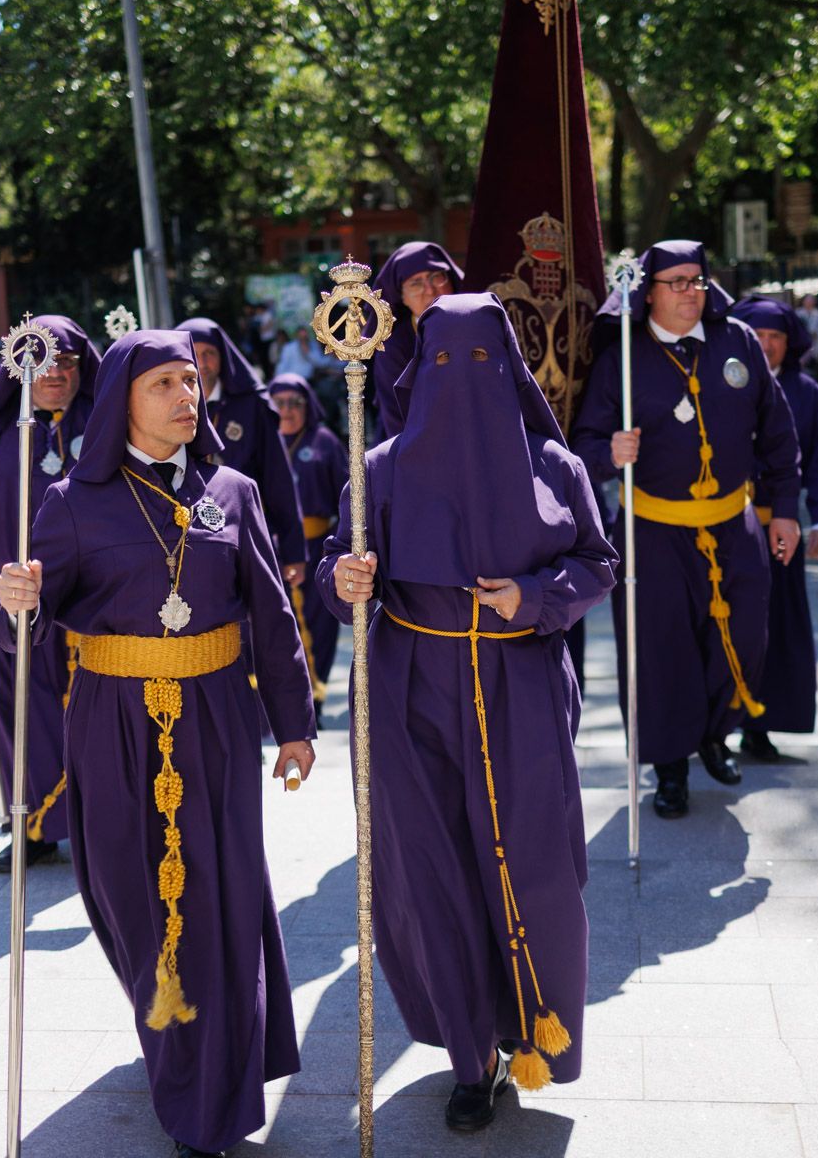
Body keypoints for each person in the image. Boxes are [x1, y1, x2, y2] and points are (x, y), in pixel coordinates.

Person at [0, 329, 317, 1158]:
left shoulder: (233, 490)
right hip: (113, 721)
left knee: (221, 896)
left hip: (217, 717)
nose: (186, 396)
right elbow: (24, 629)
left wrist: (294, 726)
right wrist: (18, 602)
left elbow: (272, 615)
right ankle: (179, 1042)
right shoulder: (71, 500)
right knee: (137, 900)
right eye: (163, 384)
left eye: (190, 381)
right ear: (122, 402)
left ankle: (208, 1090)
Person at [320, 293, 616, 1129]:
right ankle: (469, 1056)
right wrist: (345, 579)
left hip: (521, 683)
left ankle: (534, 1027)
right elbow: (336, 573)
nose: (462, 378)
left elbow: (597, 564)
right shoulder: (378, 468)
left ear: (509, 367)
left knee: (535, 866)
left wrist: (536, 594)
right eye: (443, 361)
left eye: (481, 360)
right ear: (420, 371)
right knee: (432, 872)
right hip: (411, 689)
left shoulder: (555, 467)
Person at [572, 240, 802, 813]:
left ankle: (714, 733)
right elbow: (584, 443)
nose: (689, 292)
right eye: (675, 282)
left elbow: (777, 431)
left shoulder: (738, 341)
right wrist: (609, 453)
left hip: (733, 522)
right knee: (660, 651)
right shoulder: (622, 356)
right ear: (648, 292)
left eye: (697, 281)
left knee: (743, 635)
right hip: (652, 529)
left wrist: (786, 508)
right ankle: (670, 766)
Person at [0, 314, 100, 871]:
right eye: (40, 362)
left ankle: (100, 822)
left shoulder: (111, 422)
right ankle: (32, 824)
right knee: (18, 718)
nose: (53, 373)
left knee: (96, 715)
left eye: (66, 361)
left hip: (90, 606)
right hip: (5, 607)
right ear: (16, 367)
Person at [729, 296, 818, 757]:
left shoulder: (805, 392)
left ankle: (760, 725)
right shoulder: (716, 379)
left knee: (774, 628)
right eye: (757, 335)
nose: (766, 345)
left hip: (777, 532)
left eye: (775, 336)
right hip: (715, 528)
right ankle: (709, 726)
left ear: (789, 342)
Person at [179, 317, 307, 587]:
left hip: (245, 532)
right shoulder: (170, 405)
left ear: (223, 357)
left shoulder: (251, 406)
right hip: (184, 536)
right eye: (194, 353)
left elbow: (277, 478)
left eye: (209, 353)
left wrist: (293, 551)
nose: (202, 362)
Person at [270, 371, 347, 702]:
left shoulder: (324, 442)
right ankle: (283, 702)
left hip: (317, 549)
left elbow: (348, 496)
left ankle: (315, 698)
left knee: (320, 625)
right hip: (272, 550)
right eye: (279, 403)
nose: (286, 410)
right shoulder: (262, 440)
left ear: (308, 406)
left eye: (295, 403)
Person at [371, 240, 462, 438]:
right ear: (402, 296)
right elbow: (398, 420)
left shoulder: (479, 329)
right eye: (416, 283)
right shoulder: (393, 347)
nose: (430, 290)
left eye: (436, 277)